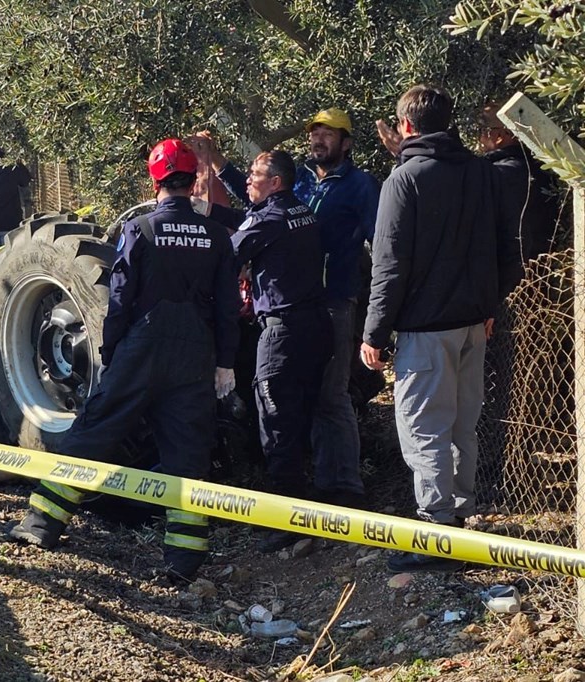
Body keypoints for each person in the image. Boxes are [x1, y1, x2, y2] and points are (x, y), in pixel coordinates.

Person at [8, 139, 240, 583]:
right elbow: (228, 305)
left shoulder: (141, 229)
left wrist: (114, 353)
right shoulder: (215, 236)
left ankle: (41, 524)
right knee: (188, 453)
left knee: (95, 430)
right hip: (197, 351)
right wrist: (224, 362)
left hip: (143, 345)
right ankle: (183, 565)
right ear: (193, 183)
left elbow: (119, 300)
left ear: (155, 183)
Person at [361, 85, 522, 573]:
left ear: (405, 126)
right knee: (460, 425)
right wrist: (490, 301)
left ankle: (436, 533)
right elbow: (502, 240)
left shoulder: (404, 180)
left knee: (424, 428)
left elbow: (389, 264)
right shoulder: (479, 170)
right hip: (474, 322)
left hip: (427, 329)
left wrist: (374, 332)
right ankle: (460, 517)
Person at [198, 108, 379, 510]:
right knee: (308, 396)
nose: (318, 139)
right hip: (305, 307)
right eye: (314, 132)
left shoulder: (360, 186)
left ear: (347, 143)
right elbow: (260, 208)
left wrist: (380, 311)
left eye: (328, 134)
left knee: (330, 397)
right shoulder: (302, 188)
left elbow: (381, 243)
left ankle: (345, 487)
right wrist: (217, 165)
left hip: (334, 301)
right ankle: (318, 484)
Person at [205, 150, 333, 553]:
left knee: (276, 423)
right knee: (301, 418)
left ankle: (287, 521)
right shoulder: (302, 211)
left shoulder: (269, 219)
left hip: (282, 331)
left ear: (275, 182)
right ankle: (311, 505)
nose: (248, 182)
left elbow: (226, 257)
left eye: (255, 176)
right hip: (315, 326)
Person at [479, 102, 559, 261]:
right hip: (541, 267)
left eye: (481, 130)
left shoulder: (498, 174)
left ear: (500, 135)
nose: (479, 137)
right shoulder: (543, 169)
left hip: (508, 270)